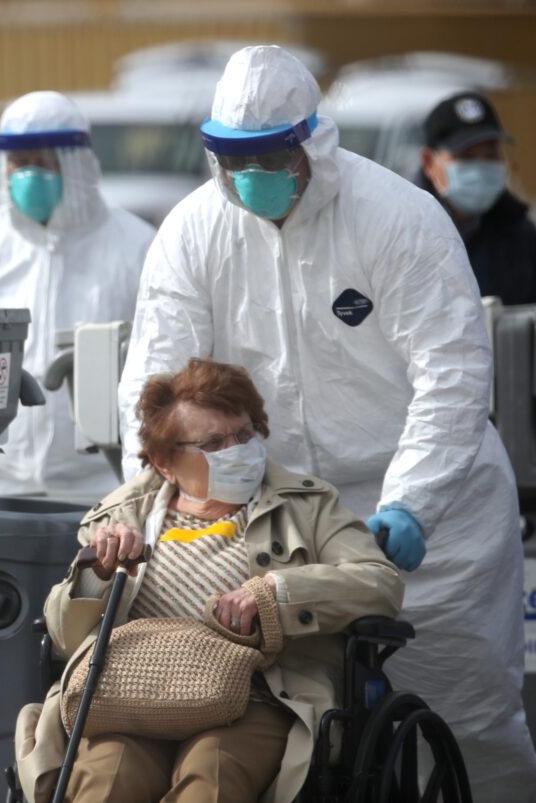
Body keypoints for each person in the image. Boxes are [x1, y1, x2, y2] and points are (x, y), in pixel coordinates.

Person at [119, 45, 536, 799]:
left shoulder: (397, 219)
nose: (253, 177)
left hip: (433, 529)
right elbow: (154, 390)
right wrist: (146, 505)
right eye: (233, 158)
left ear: (312, 141)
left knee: (468, 728)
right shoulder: (193, 233)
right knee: (301, 738)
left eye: (271, 156)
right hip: (280, 535)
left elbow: (452, 374)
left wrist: (412, 501)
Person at [16, 358, 402, 802]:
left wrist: (276, 595)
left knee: (211, 778)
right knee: (107, 782)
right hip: (131, 697)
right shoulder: (119, 514)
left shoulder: (308, 504)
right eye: (215, 443)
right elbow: (66, 638)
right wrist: (98, 573)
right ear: (165, 462)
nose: (237, 448)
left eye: (244, 433)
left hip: (259, 697)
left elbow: (379, 583)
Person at [0, 91, 155, 500]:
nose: (30, 175)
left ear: (76, 164)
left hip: (106, 490)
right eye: (19, 163)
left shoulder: (137, 248)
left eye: (44, 162)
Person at [418, 90, 536, 305]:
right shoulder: (404, 228)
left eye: (490, 156)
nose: (481, 168)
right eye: (466, 157)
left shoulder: (520, 232)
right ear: (429, 162)